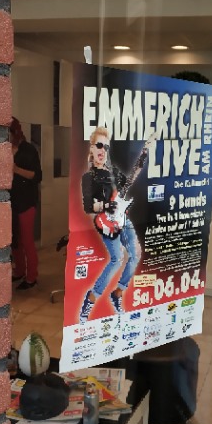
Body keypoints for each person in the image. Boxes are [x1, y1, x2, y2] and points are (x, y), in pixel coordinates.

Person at [79, 127, 144, 323]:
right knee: (117, 259)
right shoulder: (89, 177)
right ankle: (91, 298)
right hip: (106, 222)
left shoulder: (113, 171)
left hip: (123, 218)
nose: (102, 150)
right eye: (99, 145)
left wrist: (140, 162)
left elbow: (128, 183)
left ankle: (118, 292)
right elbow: (88, 206)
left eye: (106, 147)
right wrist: (106, 205)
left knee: (135, 254)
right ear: (91, 148)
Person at [9, 117, 42, 290]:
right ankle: (20, 270)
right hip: (10, 201)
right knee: (14, 239)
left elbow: (37, 176)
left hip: (26, 201)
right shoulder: (4, 148)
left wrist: (15, 169)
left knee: (27, 240)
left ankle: (31, 277)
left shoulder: (28, 149)